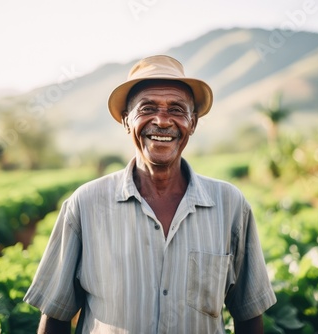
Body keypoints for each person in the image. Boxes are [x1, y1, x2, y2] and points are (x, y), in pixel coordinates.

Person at [24, 55, 276, 333]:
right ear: (126, 121)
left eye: (177, 110)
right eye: (148, 108)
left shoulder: (230, 205)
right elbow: (56, 318)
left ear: (192, 124)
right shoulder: (85, 204)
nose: (162, 121)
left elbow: (249, 315)